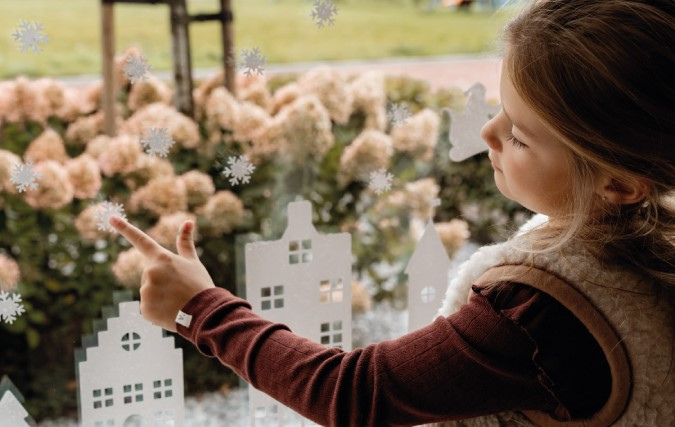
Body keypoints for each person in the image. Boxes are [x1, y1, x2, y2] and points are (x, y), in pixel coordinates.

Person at [109, 0, 675, 425]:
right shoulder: (641, 242)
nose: (488, 133)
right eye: (502, 110)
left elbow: (351, 392)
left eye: (520, 136)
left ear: (620, 183)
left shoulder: (537, 314)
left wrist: (200, 310)